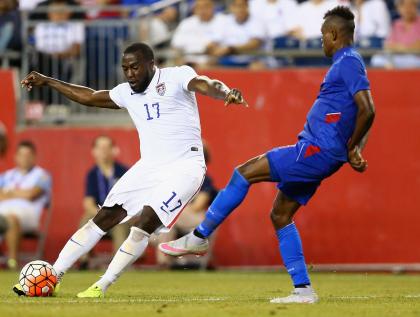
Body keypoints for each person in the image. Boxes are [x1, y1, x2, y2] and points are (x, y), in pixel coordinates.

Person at [159, 6, 375, 304]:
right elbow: (360, 111)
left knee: (243, 172)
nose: (321, 42)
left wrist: (353, 147)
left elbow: (368, 109)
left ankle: (199, 236)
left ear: (334, 35)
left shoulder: (348, 62)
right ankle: (303, 290)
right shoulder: (347, 62)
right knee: (280, 214)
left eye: (323, 36)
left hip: (315, 151)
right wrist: (355, 147)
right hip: (320, 152)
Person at [15, 42, 247, 297]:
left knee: (144, 222)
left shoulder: (176, 76)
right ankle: (53, 275)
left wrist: (225, 91)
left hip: (185, 167)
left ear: (151, 64)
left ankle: (101, 286)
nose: (130, 73)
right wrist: (48, 81)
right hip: (149, 166)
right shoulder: (126, 92)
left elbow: (205, 83)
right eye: (125, 68)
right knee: (104, 216)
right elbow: (89, 96)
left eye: (135, 67)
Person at [155, 142, 218, 268]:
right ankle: (164, 263)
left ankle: (155, 241)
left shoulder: (204, 179)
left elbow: (198, 206)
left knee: (168, 218)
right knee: (169, 226)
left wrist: (173, 209)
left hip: (196, 219)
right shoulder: (177, 178)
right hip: (177, 219)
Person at [78, 135, 129, 270]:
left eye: (107, 148)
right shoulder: (92, 174)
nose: (104, 151)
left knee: (120, 226)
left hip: (120, 214)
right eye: (100, 148)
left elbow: (131, 199)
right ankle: (84, 260)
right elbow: (88, 202)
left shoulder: (124, 171)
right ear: (94, 152)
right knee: (85, 222)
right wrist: (101, 214)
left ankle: (119, 265)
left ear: (114, 150)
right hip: (99, 213)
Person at [0, 141, 51, 270]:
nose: (25, 158)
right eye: (21, 155)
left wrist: (9, 192)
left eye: (28, 155)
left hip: (29, 214)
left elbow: (32, 195)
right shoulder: (6, 175)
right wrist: (22, 192)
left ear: (34, 157)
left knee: (11, 218)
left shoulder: (42, 175)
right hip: (3, 211)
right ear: (16, 157)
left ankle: (12, 262)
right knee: (7, 217)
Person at [206, 0, 265, 67]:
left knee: (257, 66)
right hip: (227, 58)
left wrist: (231, 49)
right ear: (231, 8)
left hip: (250, 60)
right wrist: (211, 48)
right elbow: (215, 41)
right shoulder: (224, 21)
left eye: (242, 6)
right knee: (208, 64)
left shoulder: (257, 21)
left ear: (247, 7)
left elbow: (255, 43)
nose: (240, 9)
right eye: (236, 6)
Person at [171, 0, 226, 67]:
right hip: (187, 62)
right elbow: (176, 45)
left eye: (206, 6)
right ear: (194, 9)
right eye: (199, 7)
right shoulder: (186, 23)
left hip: (213, 62)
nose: (203, 10)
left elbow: (217, 44)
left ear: (213, 7)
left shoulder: (223, 20)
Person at [371, 0, 420, 68]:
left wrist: (401, 48)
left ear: (416, 7)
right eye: (404, 5)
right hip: (398, 57)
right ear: (399, 8)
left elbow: (418, 46)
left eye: (411, 5)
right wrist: (407, 47)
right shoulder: (396, 24)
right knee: (376, 59)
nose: (407, 9)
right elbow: (388, 45)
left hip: (415, 58)